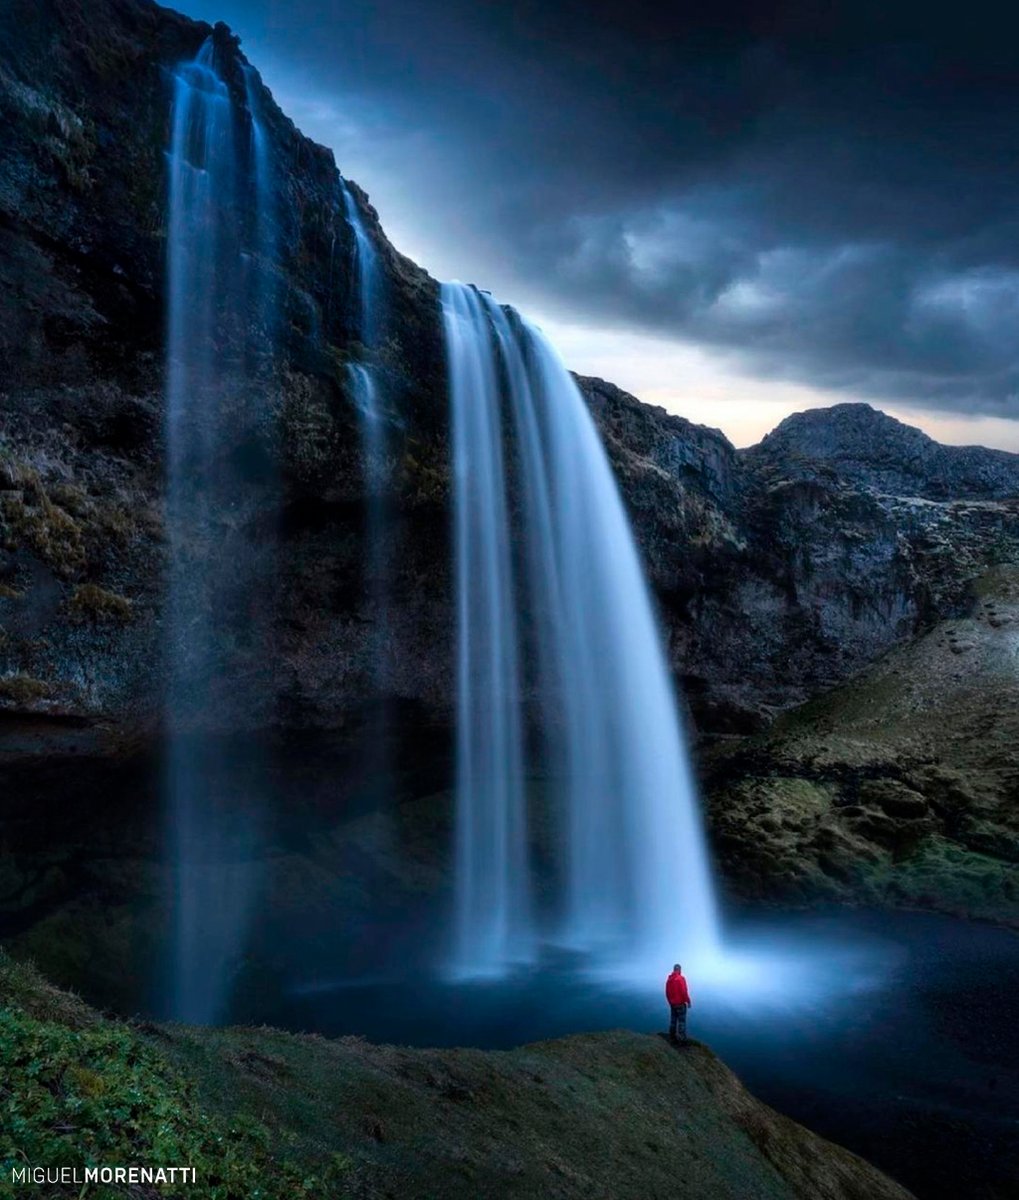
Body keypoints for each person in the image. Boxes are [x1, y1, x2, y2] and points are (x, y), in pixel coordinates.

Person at [665, 962, 692, 1044]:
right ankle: (681, 1040)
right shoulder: (681, 979)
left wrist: (670, 1002)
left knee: (673, 1021)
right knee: (681, 1022)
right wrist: (688, 1001)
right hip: (680, 1004)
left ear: (674, 970)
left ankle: (672, 1037)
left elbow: (667, 993)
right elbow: (684, 992)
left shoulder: (669, 980)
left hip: (672, 1004)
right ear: (679, 970)